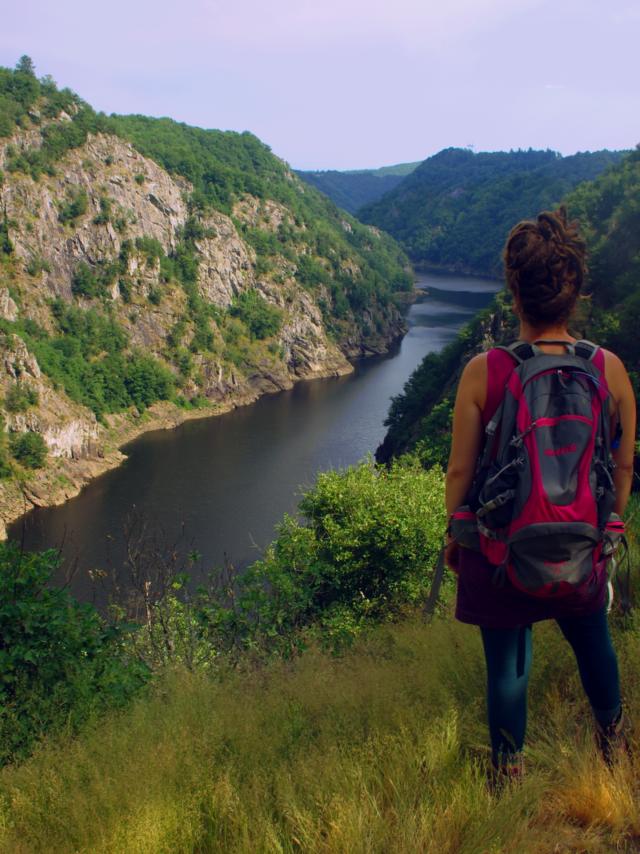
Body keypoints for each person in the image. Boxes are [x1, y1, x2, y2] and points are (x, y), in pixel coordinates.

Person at [444, 207, 636, 782]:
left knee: (506, 663)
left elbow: (460, 472)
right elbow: (623, 461)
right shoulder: (609, 368)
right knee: (593, 641)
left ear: (513, 289)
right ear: (574, 289)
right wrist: (612, 524)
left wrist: (459, 534)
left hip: (501, 548)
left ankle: (509, 778)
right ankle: (615, 745)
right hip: (582, 543)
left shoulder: (488, 370)